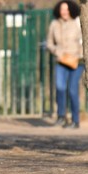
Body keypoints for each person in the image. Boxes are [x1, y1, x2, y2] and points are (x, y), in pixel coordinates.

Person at [47, 0, 84, 129]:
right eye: (62, 9)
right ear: (59, 10)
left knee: (73, 90)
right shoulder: (54, 24)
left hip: (77, 62)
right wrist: (57, 52)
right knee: (60, 88)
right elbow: (49, 43)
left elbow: (84, 41)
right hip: (61, 61)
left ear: (71, 10)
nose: (64, 12)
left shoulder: (78, 23)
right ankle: (61, 116)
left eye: (67, 9)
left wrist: (79, 55)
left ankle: (75, 120)